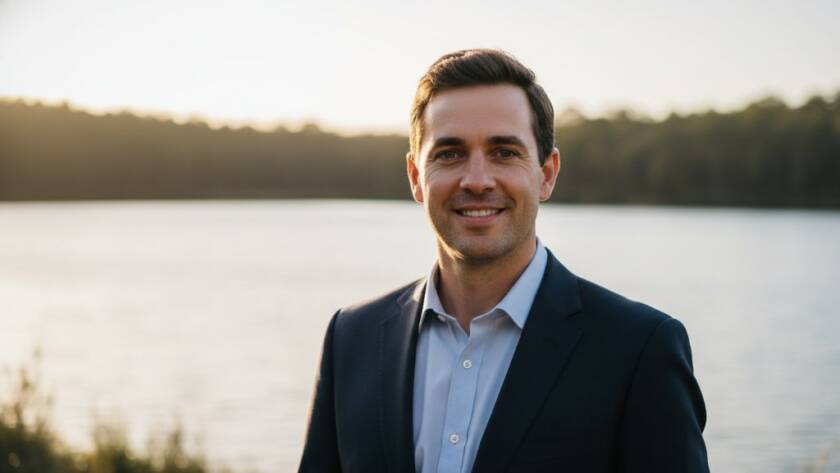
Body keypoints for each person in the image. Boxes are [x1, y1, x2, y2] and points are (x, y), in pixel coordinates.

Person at [298, 49, 709, 473]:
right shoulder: (351, 338)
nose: (477, 180)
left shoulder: (638, 350)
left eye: (505, 152)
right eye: (450, 154)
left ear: (547, 174)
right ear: (416, 178)